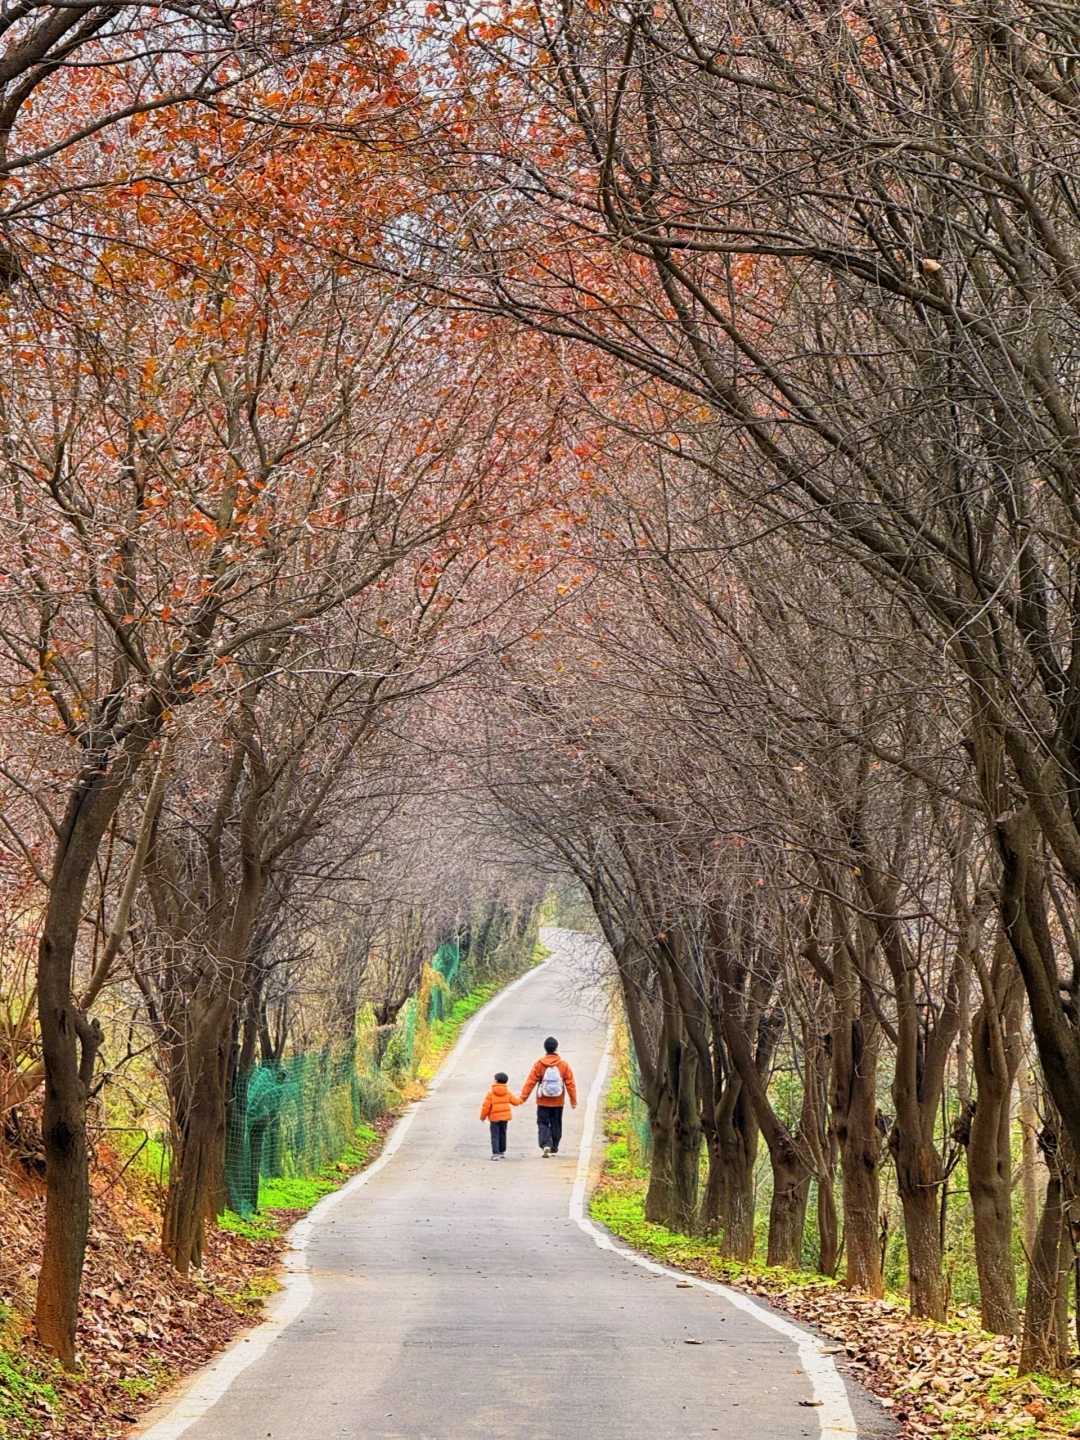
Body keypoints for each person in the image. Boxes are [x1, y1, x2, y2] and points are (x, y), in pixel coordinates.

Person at [517, 1036, 577, 1156]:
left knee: (543, 1122)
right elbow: (570, 1083)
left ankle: (546, 1144)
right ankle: (554, 1147)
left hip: (543, 1100)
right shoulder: (563, 1065)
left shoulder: (539, 1064)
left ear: (545, 1048)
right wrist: (573, 1100)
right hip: (558, 1101)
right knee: (556, 1122)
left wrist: (523, 1097)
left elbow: (531, 1081)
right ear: (556, 1048)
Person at [479, 1071, 520, 1160]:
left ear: (496, 1081)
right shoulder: (507, 1092)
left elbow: (486, 1107)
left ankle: (495, 1153)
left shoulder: (490, 1093)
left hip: (494, 1118)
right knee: (503, 1133)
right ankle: (502, 1151)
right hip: (505, 1118)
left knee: (495, 1135)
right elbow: (515, 1102)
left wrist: (482, 1117)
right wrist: (523, 1098)